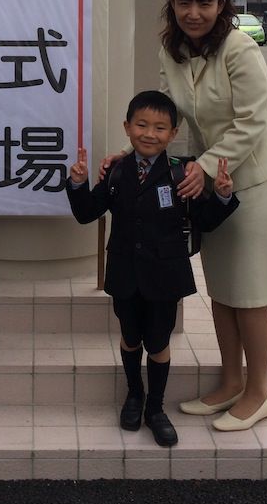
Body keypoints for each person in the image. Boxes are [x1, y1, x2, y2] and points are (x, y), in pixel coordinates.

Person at [137, 0, 267, 431]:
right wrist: (142, 157)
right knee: (224, 290)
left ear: (221, 5)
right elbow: (172, 118)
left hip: (256, 180)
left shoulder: (239, 47)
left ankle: (258, 391)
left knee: (250, 292)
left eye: (204, 2)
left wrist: (201, 167)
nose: (193, 12)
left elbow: (252, 120)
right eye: (184, 2)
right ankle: (230, 383)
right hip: (215, 184)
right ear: (172, 4)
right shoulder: (171, 50)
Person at [67, 90, 238, 447]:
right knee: (130, 338)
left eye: (160, 127)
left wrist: (221, 195)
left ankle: (156, 409)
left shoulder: (182, 173)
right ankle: (134, 396)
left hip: (165, 277)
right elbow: (87, 213)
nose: (149, 133)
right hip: (125, 273)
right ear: (127, 127)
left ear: (173, 133)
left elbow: (203, 221)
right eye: (141, 124)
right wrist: (79, 183)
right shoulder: (115, 171)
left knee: (158, 342)